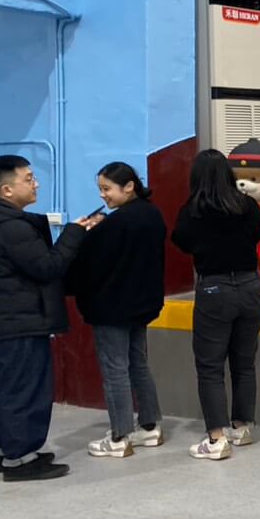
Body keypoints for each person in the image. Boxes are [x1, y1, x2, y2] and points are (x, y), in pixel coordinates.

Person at [0, 155, 102, 481]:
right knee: (24, 391)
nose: (35, 183)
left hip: (2, 322)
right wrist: (74, 233)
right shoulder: (11, 228)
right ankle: (20, 460)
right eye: (28, 178)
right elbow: (48, 266)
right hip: (19, 322)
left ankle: (8, 451)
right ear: (7, 189)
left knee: (5, 389)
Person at [66, 162, 167, 457]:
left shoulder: (115, 223)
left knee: (115, 370)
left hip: (112, 308)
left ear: (129, 186)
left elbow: (90, 263)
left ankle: (120, 437)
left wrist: (85, 234)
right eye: (100, 189)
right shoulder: (152, 214)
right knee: (138, 363)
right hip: (142, 304)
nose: (103, 195)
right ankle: (150, 426)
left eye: (107, 188)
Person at [171, 148, 260, 462]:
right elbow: (259, 232)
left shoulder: (193, 210)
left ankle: (216, 438)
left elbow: (181, 241)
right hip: (251, 285)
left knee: (210, 366)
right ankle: (243, 426)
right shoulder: (247, 205)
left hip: (214, 288)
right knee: (244, 361)